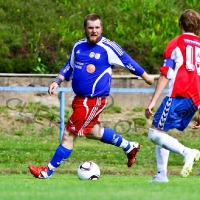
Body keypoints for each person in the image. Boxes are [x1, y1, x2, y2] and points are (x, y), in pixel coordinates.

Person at [29, 13, 154, 179]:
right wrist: (57, 81)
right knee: (93, 131)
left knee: (68, 134)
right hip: (79, 99)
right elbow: (70, 66)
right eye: (90, 28)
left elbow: (127, 60)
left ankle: (47, 171)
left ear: (101, 28)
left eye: (97, 27)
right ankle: (129, 146)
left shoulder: (108, 47)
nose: (94, 31)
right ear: (85, 29)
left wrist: (146, 76)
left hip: (92, 101)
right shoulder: (78, 46)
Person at [145, 9, 200, 183]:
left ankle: (187, 152)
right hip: (195, 99)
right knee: (162, 131)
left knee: (154, 133)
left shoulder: (175, 43)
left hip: (179, 95)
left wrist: (153, 101)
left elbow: (165, 73)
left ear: (180, 24)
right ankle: (161, 175)